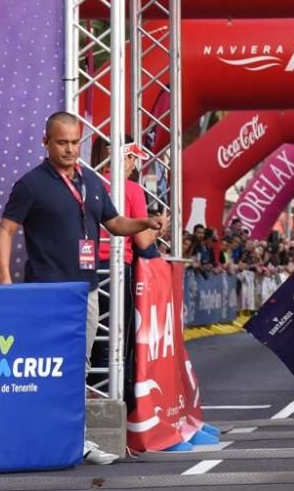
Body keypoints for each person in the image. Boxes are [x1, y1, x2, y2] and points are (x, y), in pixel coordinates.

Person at [0, 112, 163, 465]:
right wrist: (5, 280)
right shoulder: (31, 184)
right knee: (42, 367)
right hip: (44, 293)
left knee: (79, 369)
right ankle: (32, 437)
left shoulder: (91, 181)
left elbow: (115, 223)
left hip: (84, 292)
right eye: (61, 142)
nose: (69, 149)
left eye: (74, 142)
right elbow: (6, 230)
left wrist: (144, 222)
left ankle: (76, 440)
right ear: (46, 142)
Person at [89, 138, 170, 400]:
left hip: (86, 265)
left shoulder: (88, 182)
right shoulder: (131, 190)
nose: (135, 165)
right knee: (115, 342)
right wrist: (161, 226)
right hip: (116, 267)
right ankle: (111, 402)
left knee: (89, 338)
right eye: (133, 158)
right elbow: (143, 241)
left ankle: (89, 395)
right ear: (122, 157)